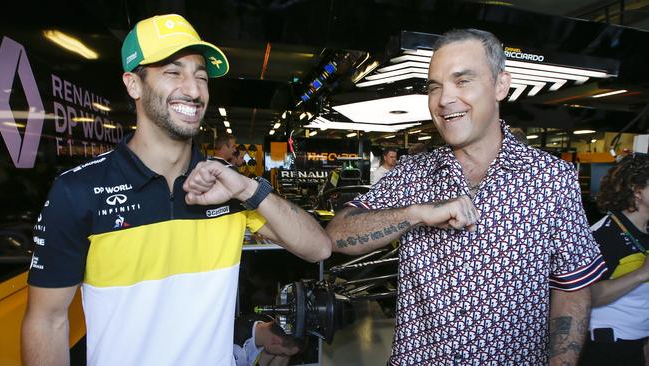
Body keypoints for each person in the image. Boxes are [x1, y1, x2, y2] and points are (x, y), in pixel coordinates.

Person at [21, 13, 331, 366]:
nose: (194, 90)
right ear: (133, 84)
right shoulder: (78, 190)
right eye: (173, 72)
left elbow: (318, 248)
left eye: (201, 76)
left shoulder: (228, 187)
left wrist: (247, 187)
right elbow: (47, 320)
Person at [325, 28, 605, 365]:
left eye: (462, 81)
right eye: (435, 87)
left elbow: (572, 284)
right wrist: (415, 213)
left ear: (501, 85)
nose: (444, 100)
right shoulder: (413, 173)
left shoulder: (551, 179)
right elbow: (337, 235)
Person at [580, 153, 649, 366]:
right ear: (637, 191)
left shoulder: (645, 230)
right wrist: (641, 274)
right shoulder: (603, 235)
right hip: (608, 347)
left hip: (638, 344)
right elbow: (585, 296)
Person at [233, 319, 299, 366]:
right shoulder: (235, 345)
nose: (282, 355)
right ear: (275, 340)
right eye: (282, 353)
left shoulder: (267, 324)